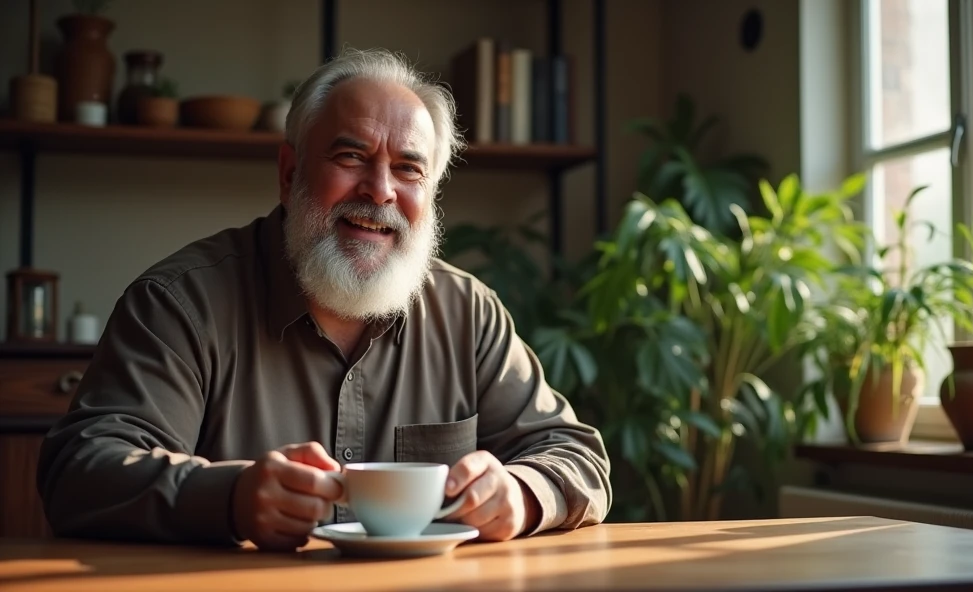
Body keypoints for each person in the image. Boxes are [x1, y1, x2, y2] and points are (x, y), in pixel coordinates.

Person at [36, 48, 611, 551]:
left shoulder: (468, 312)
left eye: (408, 169)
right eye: (351, 157)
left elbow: (577, 457)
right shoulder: (180, 305)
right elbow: (79, 471)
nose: (380, 190)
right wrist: (228, 497)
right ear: (289, 175)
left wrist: (520, 493)